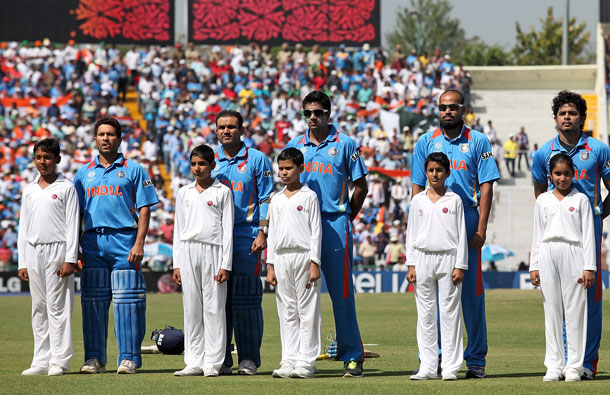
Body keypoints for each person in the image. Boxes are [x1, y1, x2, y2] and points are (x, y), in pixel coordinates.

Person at [411, 89, 500, 379]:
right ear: (438, 110)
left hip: (467, 218)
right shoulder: (425, 141)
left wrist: (481, 228)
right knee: (433, 297)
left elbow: (487, 185)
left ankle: (475, 359)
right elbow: (416, 187)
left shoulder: (478, 140)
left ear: (463, 109)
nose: (447, 112)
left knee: (471, 295)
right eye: (442, 107)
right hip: (433, 219)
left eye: (453, 107)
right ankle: (434, 360)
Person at [286, 90, 368, 378]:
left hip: (334, 225)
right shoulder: (295, 145)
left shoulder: (345, 144)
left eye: (317, 112)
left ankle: (352, 357)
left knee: (341, 294)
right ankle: (299, 358)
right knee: (298, 297)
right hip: (301, 226)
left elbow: (361, 187)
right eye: (307, 112)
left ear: (327, 114)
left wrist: (346, 215)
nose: (312, 117)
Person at [532, 90, 610, 379]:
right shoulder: (543, 153)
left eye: (573, 113)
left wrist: (598, 213)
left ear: (581, 117)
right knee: (556, 303)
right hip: (556, 233)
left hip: (587, 231)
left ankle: (586, 364)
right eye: (562, 113)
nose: (567, 117)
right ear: (555, 118)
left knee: (589, 301)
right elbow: (540, 193)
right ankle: (560, 363)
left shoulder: (599, 149)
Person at [74, 116, 159, 374]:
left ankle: (129, 359)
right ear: (95, 138)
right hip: (92, 242)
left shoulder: (134, 169)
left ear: (119, 139)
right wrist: (74, 248)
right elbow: (74, 213)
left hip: (125, 241)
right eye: (101, 134)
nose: (106, 138)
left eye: (111, 134)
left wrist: (139, 242)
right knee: (93, 303)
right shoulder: (83, 173)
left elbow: (144, 208)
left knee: (129, 302)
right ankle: (94, 359)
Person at [212, 109, 273, 375]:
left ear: (242, 130)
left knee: (246, 298)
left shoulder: (258, 159)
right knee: (217, 299)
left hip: (246, 235)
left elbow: (267, 199)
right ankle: (220, 357)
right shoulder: (208, 160)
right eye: (222, 127)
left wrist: (263, 232)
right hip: (213, 238)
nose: (226, 131)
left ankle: (248, 358)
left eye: (232, 127)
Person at [530, 153, 595, 382]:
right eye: (557, 174)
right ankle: (554, 366)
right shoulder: (543, 200)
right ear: (550, 175)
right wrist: (534, 265)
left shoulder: (581, 200)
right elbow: (537, 234)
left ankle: (574, 367)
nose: (562, 178)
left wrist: (589, 267)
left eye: (567, 173)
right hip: (548, 252)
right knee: (552, 311)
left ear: (573, 174)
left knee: (575, 311)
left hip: (574, 252)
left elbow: (588, 235)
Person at [18, 138, 80, 376]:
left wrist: (70, 258)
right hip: (33, 251)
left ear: (57, 159)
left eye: (47, 157)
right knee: (39, 307)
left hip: (58, 250)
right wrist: (22, 260)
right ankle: (41, 360)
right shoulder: (29, 190)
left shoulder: (66, 187)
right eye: (38, 157)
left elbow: (72, 225)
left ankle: (60, 360)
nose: (42, 162)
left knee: (59, 307)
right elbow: (24, 227)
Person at [172, 144, 234, 377]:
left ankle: (213, 362)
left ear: (212, 165)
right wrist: (176, 262)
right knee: (192, 308)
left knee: (214, 308)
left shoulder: (222, 192)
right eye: (194, 164)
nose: (197, 169)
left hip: (213, 251)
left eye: (202, 164)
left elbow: (227, 230)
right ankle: (194, 361)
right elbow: (178, 230)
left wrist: (225, 264)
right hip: (188, 250)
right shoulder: (184, 192)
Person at [407, 152, 467, 381]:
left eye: (439, 170)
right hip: (422, 258)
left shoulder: (454, 200)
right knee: (425, 315)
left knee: (450, 314)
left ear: (447, 173)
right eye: (431, 170)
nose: (435, 174)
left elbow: (461, 234)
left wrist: (460, 265)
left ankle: (451, 366)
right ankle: (428, 366)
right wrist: (410, 263)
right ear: (425, 172)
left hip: (448, 259)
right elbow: (411, 233)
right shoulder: (418, 200)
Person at [266, 148, 322, 379]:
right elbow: (271, 233)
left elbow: (316, 231)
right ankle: (288, 359)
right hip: (281, 257)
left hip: (303, 255)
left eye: (289, 168)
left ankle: (306, 361)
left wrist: (314, 262)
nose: (284, 173)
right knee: (287, 311)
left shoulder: (309, 196)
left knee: (307, 311)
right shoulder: (276, 199)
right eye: (281, 169)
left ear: (300, 168)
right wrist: (269, 264)